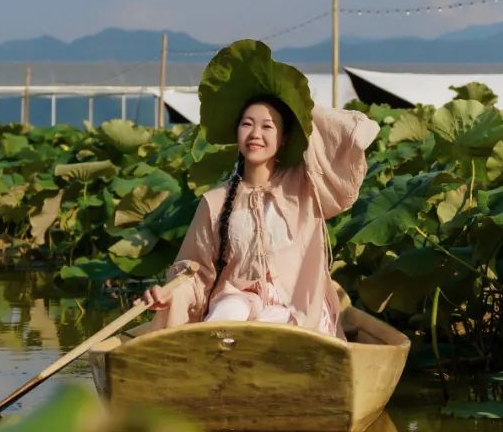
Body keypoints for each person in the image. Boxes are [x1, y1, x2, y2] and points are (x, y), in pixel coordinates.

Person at [138, 39, 379, 339]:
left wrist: (300, 108)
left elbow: (343, 133)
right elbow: (194, 274)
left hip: (297, 310)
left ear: (285, 137)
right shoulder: (215, 202)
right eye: (247, 124)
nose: (255, 134)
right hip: (236, 300)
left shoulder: (306, 185)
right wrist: (168, 296)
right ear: (237, 132)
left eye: (268, 126)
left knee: (269, 320)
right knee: (227, 314)